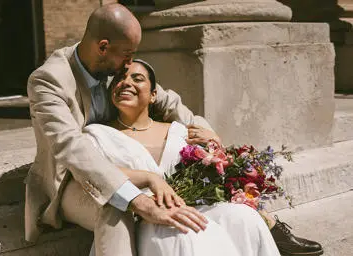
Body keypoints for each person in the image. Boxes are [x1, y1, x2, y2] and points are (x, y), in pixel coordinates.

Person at [25, 3, 219, 256]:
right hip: (70, 181)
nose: (130, 63)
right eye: (127, 53)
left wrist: (207, 133)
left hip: (127, 171)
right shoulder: (48, 81)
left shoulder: (115, 69)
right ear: (103, 47)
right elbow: (72, 147)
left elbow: (166, 100)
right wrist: (140, 201)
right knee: (117, 205)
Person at [82, 59, 323, 256]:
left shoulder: (178, 130)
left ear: (154, 95)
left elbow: (210, 166)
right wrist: (146, 179)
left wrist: (213, 145)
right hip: (143, 216)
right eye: (119, 80)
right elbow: (93, 172)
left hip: (193, 204)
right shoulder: (99, 133)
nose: (126, 83)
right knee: (183, 233)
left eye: (137, 78)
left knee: (244, 218)